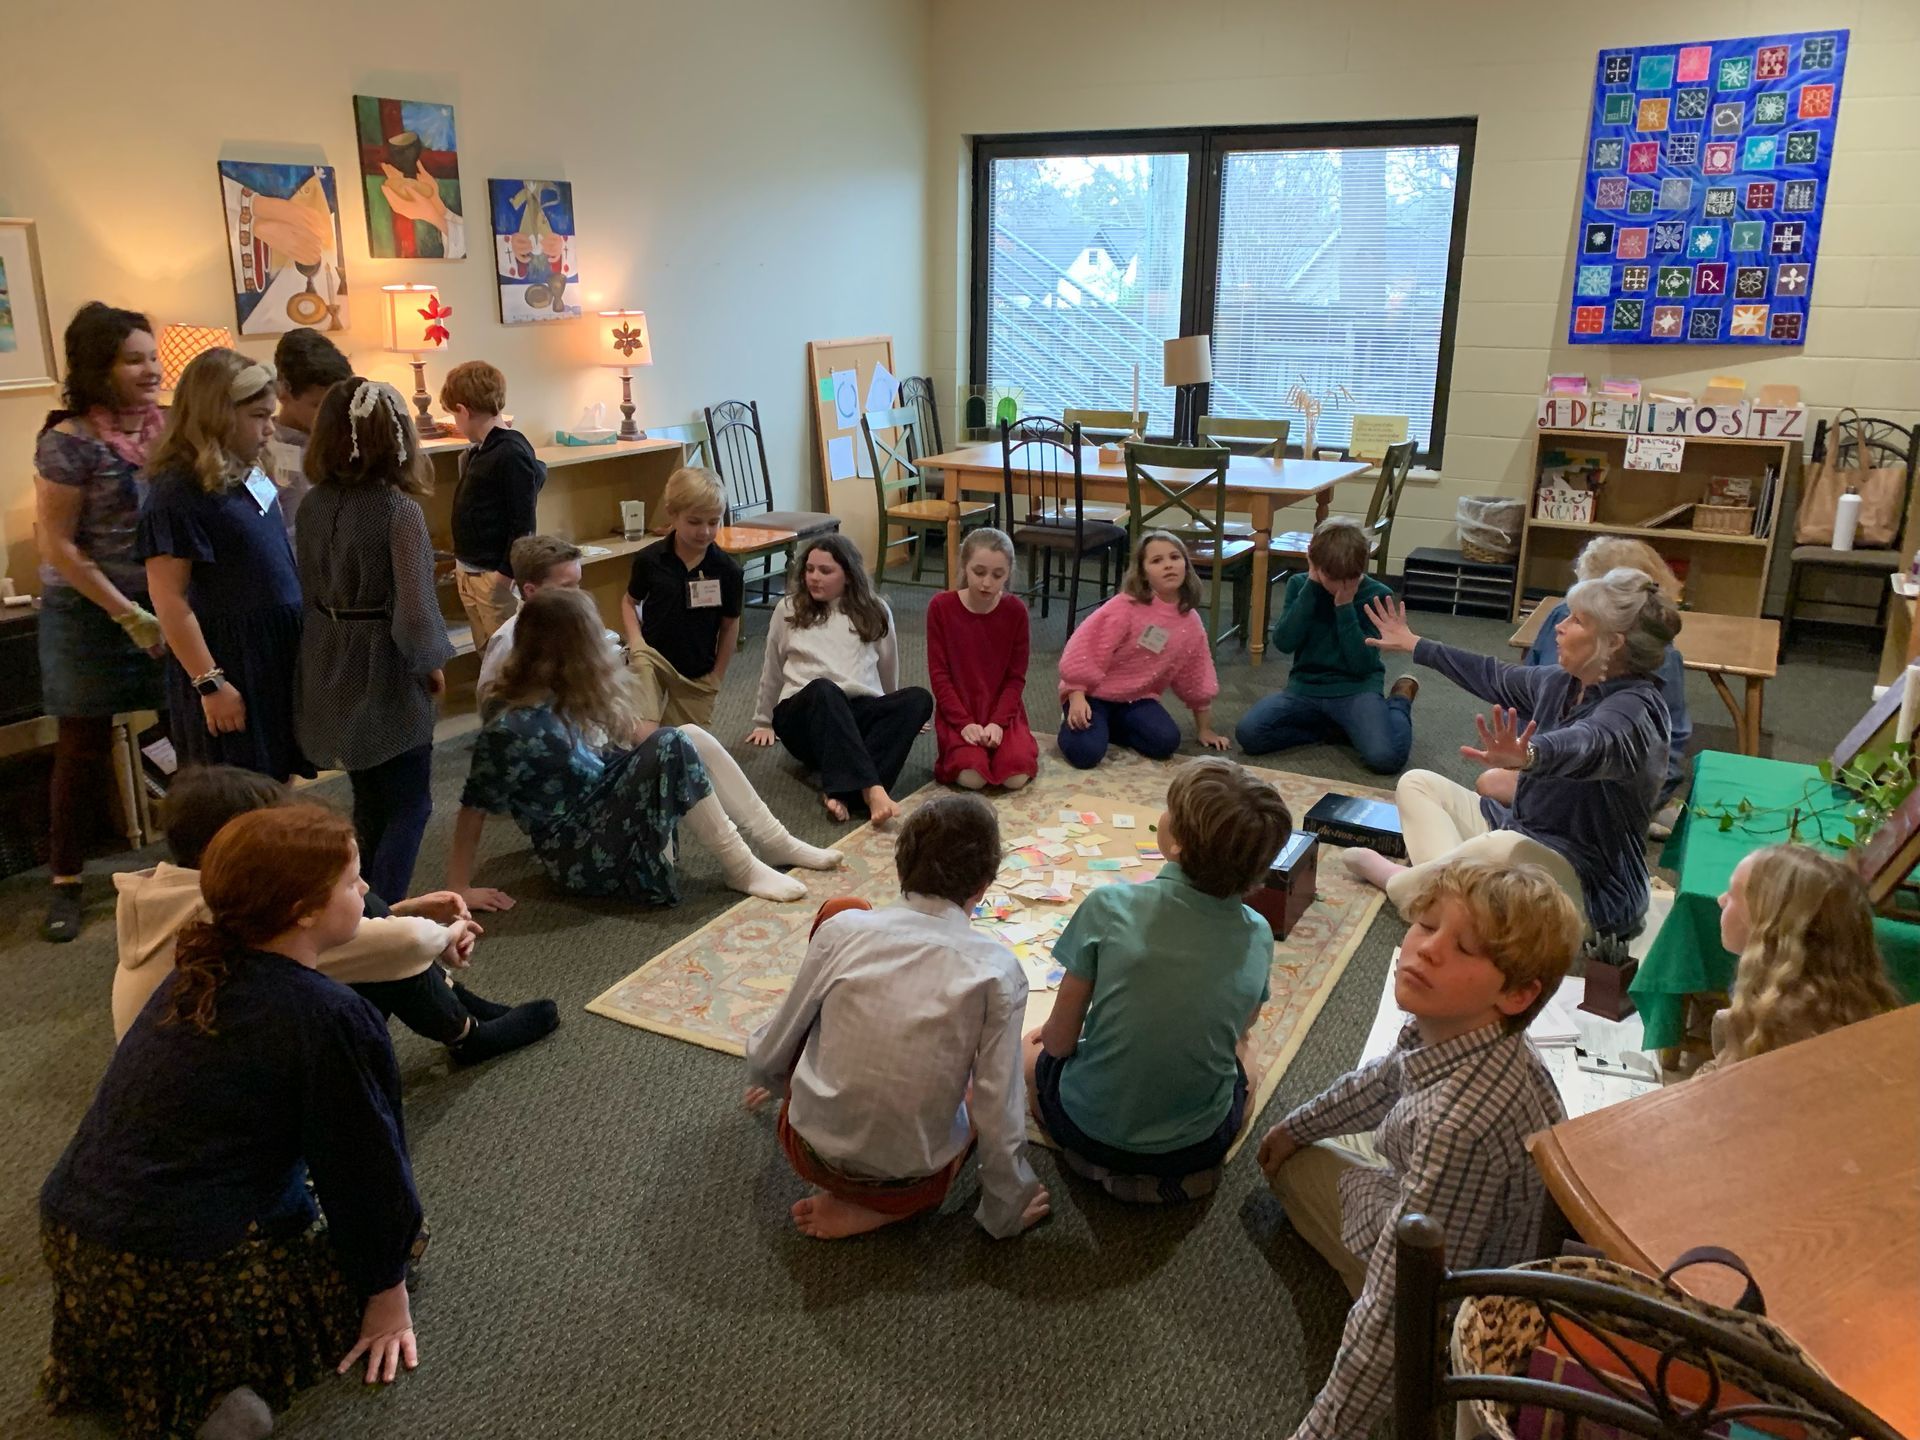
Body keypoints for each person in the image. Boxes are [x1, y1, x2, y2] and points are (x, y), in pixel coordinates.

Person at [39, 805, 426, 1439]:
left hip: (74, 1233)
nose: (365, 890)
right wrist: (386, 1295)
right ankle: (210, 1398)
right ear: (302, 910)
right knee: (404, 1241)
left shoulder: (194, 967)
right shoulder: (329, 1015)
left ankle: (151, 1371)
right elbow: (366, 1167)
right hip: (180, 1263)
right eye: (354, 881)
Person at [1256, 858, 1584, 1440]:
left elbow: (1401, 1301)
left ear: (1517, 994)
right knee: (1321, 1135)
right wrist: (1295, 1125)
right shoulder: (1457, 1029)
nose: (1426, 949)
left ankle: (1425, 1369)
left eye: (1464, 948)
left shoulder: (1460, 1124)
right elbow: (1382, 1081)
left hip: (1461, 1308)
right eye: (1426, 925)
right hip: (1479, 1235)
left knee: (1298, 1174)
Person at [744, 794, 1049, 1240]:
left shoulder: (843, 932)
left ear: (901, 866)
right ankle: (885, 1210)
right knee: (979, 1088)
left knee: (839, 908)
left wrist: (771, 1076)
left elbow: (777, 1042)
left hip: (807, 1151)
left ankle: (861, 1195)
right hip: (910, 1184)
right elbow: (998, 1110)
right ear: (983, 887)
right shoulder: (998, 971)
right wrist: (1006, 1209)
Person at [113, 765, 557, 1064]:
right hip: (240, 1081)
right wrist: (445, 933)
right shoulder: (239, 917)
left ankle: (463, 1011)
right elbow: (402, 944)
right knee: (377, 937)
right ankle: (467, 1033)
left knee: (359, 907)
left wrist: (404, 909)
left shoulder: (168, 892)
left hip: (219, 1058)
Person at [451, 587, 841, 909]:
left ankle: (774, 841)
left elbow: (619, 750)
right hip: (579, 854)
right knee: (672, 741)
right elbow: (473, 809)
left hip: (601, 814)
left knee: (687, 733)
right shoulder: (511, 725)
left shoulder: (560, 694)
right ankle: (740, 866)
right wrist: (459, 887)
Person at [1344, 571, 1678, 939]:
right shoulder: (1562, 682)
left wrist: (1531, 754)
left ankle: (1404, 885)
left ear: (1613, 643)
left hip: (1589, 886)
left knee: (1501, 847)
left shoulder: (1636, 711)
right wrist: (1415, 644)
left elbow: (1590, 743)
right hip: (1523, 833)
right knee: (1417, 784)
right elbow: (1493, 675)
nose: (1560, 627)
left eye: (1576, 620)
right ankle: (1457, 899)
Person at [1025, 758, 1290, 1201]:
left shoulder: (1108, 905)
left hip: (1087, 1128)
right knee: (1251, 1058)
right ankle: (1163, 1175)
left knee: (1027, 1055)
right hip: (1197, 1146)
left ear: (1177, 846)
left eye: (1169, 811)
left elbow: (1059, 1043)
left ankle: (1089, 1160)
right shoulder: (1259, 934)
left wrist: (1050, 1041)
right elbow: (1240, 1032)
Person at [31, 302, 167, 942]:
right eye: (133, 359)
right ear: (100, 368)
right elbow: (57, 543)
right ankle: (65, 883)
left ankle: (204, 861)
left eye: (152, 355)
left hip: (163, 604)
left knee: (188, 730)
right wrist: (128, 614)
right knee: (81, 750)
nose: (151, 369)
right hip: (88, 613)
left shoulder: (168, 428)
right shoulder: (68, 440)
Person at [294, 378, 453, 900]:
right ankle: (381, 918)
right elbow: (414, 608)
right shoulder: (396, 509)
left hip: (327, 652)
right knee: (411, 801)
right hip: (383, 660)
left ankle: (357, 902)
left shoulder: (313, 503)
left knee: (368, 795)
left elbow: (306, 584)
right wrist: (430, 662)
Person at [138, 347, 313, 783]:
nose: (269, 427)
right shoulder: (176, 493)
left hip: (274, 648)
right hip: (232, 658)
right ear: (216, 415)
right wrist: (210, 683)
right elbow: (169, 598)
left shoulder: (248, 471)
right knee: (242, 792)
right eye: (258, 416)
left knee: (277, 782)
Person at [1504, 536, 1692, 834]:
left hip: (1597, 769)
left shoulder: (1656, 654)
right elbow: (1528, 692)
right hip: (1548, 753)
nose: (1565, 624)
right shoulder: (1561, 620)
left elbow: (1669, 737)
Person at [747, 533, 934, 825]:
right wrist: (763, 720)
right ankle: (872, 789)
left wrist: (893, 710)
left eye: (825, 571)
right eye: (809, 570)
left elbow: (888, 666)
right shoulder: (789, 608)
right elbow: (772, 665)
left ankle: (842, 793)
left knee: (918, 699)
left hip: (854, 712)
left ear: (848, 575)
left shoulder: (875, 610)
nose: (814, 578)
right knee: (826, 689)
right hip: (804, 714)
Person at [1235, 519, 1416, 774]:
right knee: (1249, 734)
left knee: (1385, 758)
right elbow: (1284, 642)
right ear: (1314, 562)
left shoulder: (1377, 594)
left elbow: (1361, 664)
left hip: (1356, 688)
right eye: (1333, 578)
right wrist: (1310, 587)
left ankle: (1399, 701)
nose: (1342, 586)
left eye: (1350, 579)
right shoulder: (1300, 585)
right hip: (1305, 689)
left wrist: (1344, 608)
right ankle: (1334, 728)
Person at [1704, 843, 1901, 1073]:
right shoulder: (1838, 1003)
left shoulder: (1784, 1035)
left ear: (1770, 927)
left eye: (1734, 894)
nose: (1721, 900)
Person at [1056, 530, 1230, 769]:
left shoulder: (1190, 621)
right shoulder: (1124, 607)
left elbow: (1197, 674)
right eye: (1157, 561)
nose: (1168, 565)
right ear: (1143, 573)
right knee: (1085, 754)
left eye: (1174, 557)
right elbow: (1085, 648)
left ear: (1186, 566)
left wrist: (1205, 728)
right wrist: (1076, 695)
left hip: (1136, 699)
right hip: (1092, 695)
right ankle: (1083, 723)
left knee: (1166, 743)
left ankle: (1107, 727)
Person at [621, 466, 742, 728]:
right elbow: (630, 602)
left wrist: (717, 676)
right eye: (695, 522)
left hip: (697, 669)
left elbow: (730, 624)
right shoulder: (649, 560)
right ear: (672, 515)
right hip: (652, 659)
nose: (705, 532)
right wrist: (636, 644)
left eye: (714, 522)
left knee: (685, 744)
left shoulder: (728, 570)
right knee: (644, 733)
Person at [444, 360, 545, 650]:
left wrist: (506, 573)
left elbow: (523, 521)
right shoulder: (482, 449)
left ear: (463, 410)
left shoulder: (510, 451)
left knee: (508, 656)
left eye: (454, 415)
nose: (456, 422)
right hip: (471, 570)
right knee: (487, 654)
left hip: (493, 575)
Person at [927, 526, 1037, 791]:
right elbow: (939, 676)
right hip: (960, 710)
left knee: (1015, 776)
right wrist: (964, 724)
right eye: (979, 572)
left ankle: (1012, 743)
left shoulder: (1016, 611)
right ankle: (965, 749)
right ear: (965, 566)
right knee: (972, 777)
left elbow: (1015, 677)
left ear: (1008, 574)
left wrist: (999, 723)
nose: (987, 582)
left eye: (997, 575)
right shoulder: (941, 607)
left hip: (1002, 710)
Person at [477, 533, 586, 699]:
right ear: (531, 591)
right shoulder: (509, 641)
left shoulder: (579, 623)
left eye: (577, 584)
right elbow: (489, 701)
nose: (577, 594)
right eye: (567, 587)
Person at [267, 327, 351, 540]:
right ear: (283, 392)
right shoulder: (267, 454)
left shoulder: (345, 441)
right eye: (317, 405)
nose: (330, 416)